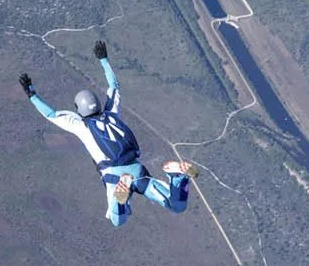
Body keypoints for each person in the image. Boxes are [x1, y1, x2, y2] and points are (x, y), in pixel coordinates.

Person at [21, 43, 194, 227]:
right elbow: (114, 86)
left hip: (113, 175)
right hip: (138, 170)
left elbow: (51, 114)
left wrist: (32, 94)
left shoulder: (81, 125)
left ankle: (121, 201)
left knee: (117, 220)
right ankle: (178, 176)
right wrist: (103, 59)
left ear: (78, 109)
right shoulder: (111, 112)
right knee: (176, 206)